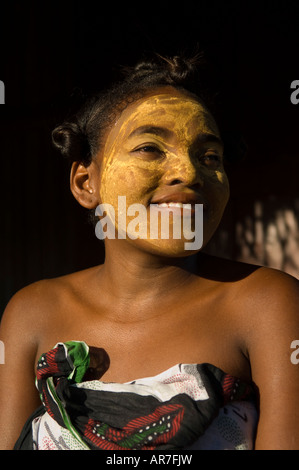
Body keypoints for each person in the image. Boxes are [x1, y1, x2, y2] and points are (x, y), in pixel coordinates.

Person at [1, 54, 299, 451]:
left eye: (210, 157)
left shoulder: (267, 303)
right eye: (150, 149)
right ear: (85, 183)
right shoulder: (32, 312)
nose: (189, 173)